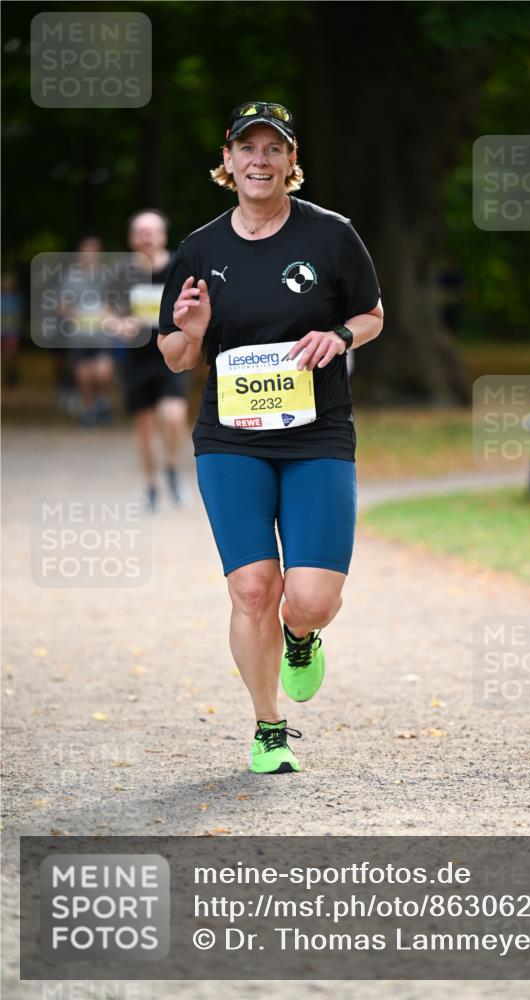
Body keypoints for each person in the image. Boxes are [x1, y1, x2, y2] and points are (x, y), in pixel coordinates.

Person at [157, 101, 383, 774]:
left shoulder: (331, 235)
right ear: (227, 160)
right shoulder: (201, 248)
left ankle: (300, 636)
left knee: (309, 598)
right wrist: (191, 333)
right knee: (253, 586)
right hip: (230, 439)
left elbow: (371, 315)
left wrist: (338, 334)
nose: (260, 160)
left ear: (291, 162)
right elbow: (173, 354)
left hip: (317, 435)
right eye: (247, 148)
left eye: (273, 149)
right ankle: (268, 726)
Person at [118, 210, 191, 511]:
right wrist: (119, 325)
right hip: (136, 358)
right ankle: (151, 486)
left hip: (171, 354)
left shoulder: (178, 268)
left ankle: (173, 468)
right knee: (145, 427)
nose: (148, 237)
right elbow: (107, 310)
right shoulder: (123, 272)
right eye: (142, 232)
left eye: (153, 231)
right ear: (133, 238)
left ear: (163, 235)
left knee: (173, 416)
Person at [62, 236, 116, 427]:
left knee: (102, 372)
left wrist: (107, 314)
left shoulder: (107, 276)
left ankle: (102, 401)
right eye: (86, 251)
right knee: (84, 375)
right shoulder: (70, 278)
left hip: (103, 335)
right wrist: (73, 315)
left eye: (94, 251)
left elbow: (116, 302)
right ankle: (88, 410)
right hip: (80, 336)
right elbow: (62, 305)